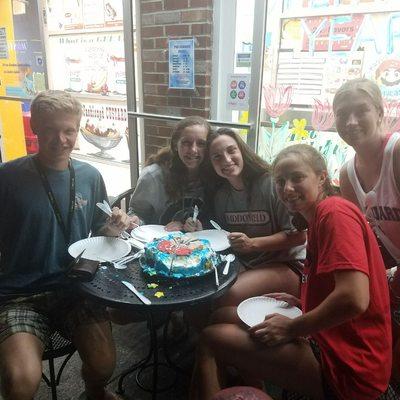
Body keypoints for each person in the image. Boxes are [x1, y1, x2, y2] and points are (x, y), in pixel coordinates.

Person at [190, 144, 392, 400]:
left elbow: (354, 299)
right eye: (280, 181)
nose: (287, 189)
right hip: (330, 337)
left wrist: (291, 328)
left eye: (297, 178)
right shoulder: (318, 217)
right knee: (222, 314)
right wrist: (302, 303)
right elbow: (334, 287)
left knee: (209, 339)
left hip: (349, 367)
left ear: (322, 177)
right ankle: (254, 389)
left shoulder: (334, 213)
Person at [0, 90, 130, 400]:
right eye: (49, 130)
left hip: (76, 288)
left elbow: (99, 231)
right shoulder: (8, 177)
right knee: (21, 382)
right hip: (20, 294)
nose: (60, 139)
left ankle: (94, 391)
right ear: (35, 129)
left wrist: (112, 228)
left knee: (104, 366)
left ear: (78, 129)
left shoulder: (90, 176)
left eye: (68, 130)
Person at [185, 128, 306, 307]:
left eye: (231, 150)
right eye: (217, 157)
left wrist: (252, 244)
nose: (226, 159)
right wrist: (201, 231)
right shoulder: (221, 196)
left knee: (221, 297)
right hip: (245, 264)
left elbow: (299, 236)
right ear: (211, 164)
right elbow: (224, 237)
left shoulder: (271, 184)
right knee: (199, 294)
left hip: (286, 264)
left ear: (242, 151)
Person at [334, 78, 400, 382]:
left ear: (380, 113)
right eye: (341, 113)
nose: (350, 121)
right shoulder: (346, 173)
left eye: (361, 111)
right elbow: (360, 237)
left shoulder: (396, 153)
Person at [127, 116, 212, 231]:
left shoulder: (214, 175)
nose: (193, 150)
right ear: (176, 145)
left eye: (201, 144)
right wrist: (135, 221)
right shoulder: (152, 177)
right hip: (157, 244)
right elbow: (138, 215)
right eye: (186, 143)